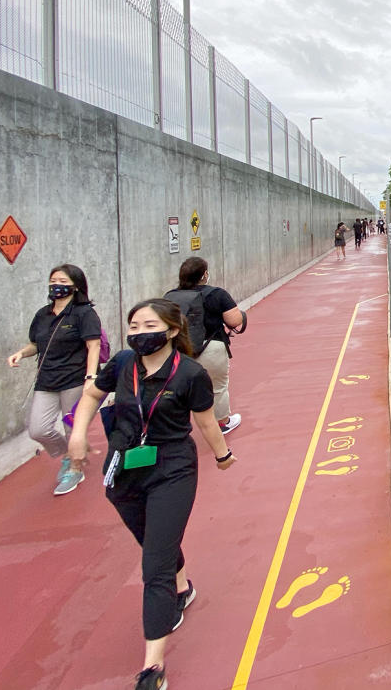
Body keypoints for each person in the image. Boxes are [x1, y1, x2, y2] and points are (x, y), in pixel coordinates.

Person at [68, 298, 236, 690]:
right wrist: (78, 434)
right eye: (135, 326)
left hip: (172, 469)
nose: (140, 333)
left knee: (153, 564)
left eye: (149, 326)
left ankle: (152, 667)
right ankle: (182, 586)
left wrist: (223, 455)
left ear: (173, 331)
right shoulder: (123, 363)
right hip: (124, 469)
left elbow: (207, 422)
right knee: (152, 540)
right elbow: (93, 395)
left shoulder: (191, 374)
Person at [7, 264, 102, 495]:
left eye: (62, 281)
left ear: (75, 286)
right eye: (53, 281)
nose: (56, 286)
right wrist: (21, 353)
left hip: (75, 378)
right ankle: (70, 454)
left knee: (72, 427)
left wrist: (91, 376)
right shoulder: (43, 314)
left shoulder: (84, 313)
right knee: (38, 429)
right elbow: (36, 344)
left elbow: (94, 345)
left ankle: (76, 469)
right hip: (47, 378)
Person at [176, 257, 244, 436]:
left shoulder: (171, 296)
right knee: (217, 387)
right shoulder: (217, 294)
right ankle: (222, 423)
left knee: (175, 388)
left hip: (179, 349)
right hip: (210, 347)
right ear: (204, 274)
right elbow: (235, 320)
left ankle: (173, 426)